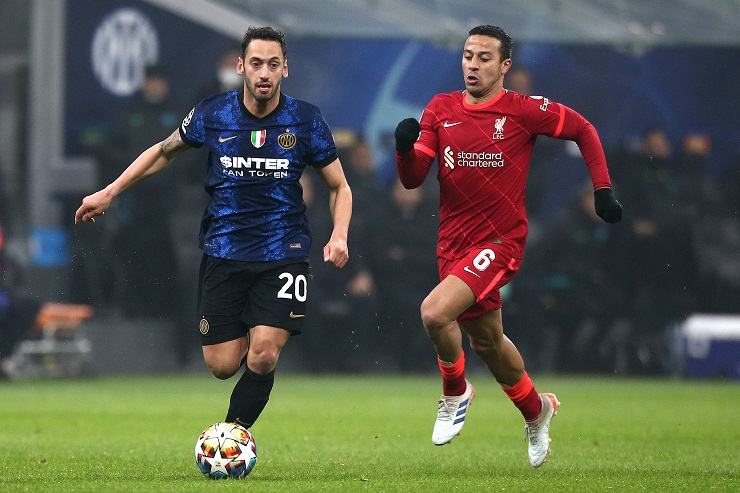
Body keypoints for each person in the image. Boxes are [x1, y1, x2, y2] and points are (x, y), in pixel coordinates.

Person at [75, 27, 352, 431]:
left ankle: (231, 435)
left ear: (285, 69)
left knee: (263, 354)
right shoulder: (213, 113)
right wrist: (111, 191)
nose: (264, 73)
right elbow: (163, 152)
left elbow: (340, 187)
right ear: (241, 67)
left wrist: (339, 233)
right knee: (222, 365)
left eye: (273, 64)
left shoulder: (306, 120)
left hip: (283, 251)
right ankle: (252, 334)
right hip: (224, 252)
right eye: (256, 63)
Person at [394, 25, 622, 467]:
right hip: (452, 243)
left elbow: (584, 130)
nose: (473, 65)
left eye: (484, 58)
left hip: (500, 241)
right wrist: (405, 150)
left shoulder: (523, 110)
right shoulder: (441, 108)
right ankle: (537, 411)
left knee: (435, 312)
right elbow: (413, 178)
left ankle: (455, 390)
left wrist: (602, 189)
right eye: (468, 55)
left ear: (504, 66)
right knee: (488, 342)